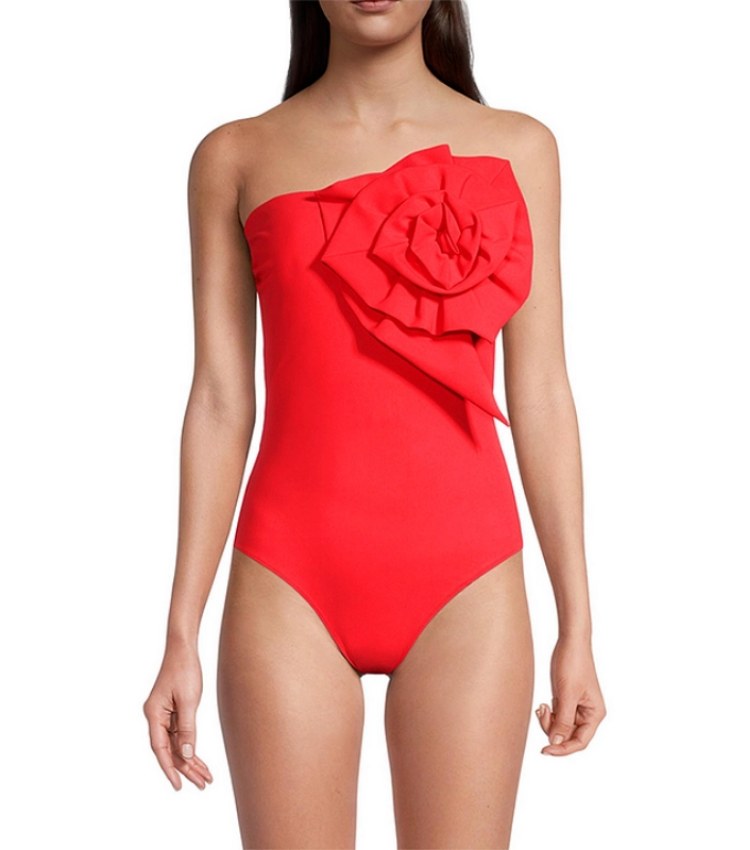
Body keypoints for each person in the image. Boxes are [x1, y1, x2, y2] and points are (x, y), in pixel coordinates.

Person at [143, 1, 606, 846]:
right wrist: (180, 633)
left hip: (469, 586)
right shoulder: (235, 155)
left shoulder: (521, 148)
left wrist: (578, 623)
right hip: (287, 583)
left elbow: (541, 392)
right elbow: (218, 399)